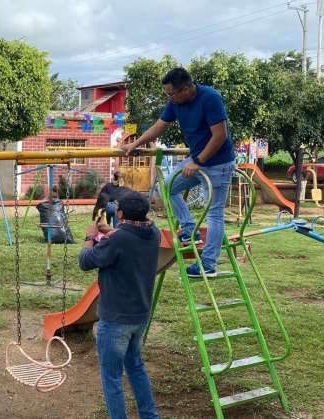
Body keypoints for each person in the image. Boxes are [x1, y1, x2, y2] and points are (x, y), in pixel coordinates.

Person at [121, 67, 235, 277]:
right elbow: (158, 127)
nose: (169, 98)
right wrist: (134, 144)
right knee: (169, 187)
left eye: (171, 93)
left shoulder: (210, 98)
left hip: (218, 163)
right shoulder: (175, 103)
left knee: (214, 214)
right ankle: (190, 229)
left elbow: (220, 136)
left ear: (186, 89)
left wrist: (199, 161)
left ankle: (208, 265)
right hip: (197, 159)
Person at [79, 191, 161, 419]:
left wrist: (90, 236)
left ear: (121, 213)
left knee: (112, 376)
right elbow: (127, 238)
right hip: (140, 315)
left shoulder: (118, 240)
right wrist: (109, 231)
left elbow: (85, 261)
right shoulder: (153, 232)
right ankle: (149, 415)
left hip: (115, 320)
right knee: (135, 366)